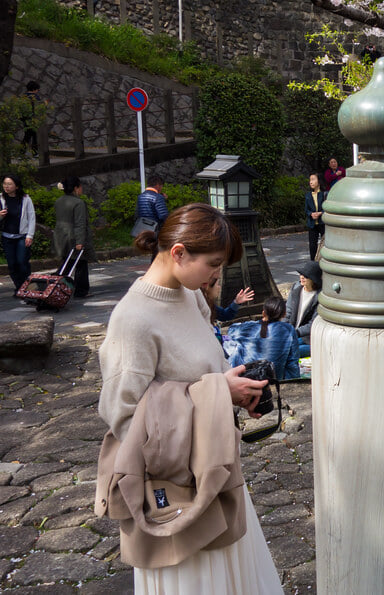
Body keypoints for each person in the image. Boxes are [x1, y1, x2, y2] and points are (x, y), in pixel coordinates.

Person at [96, 203, 282, 594]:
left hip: (215, 469)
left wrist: (231, 395)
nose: (218, 275)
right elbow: (123, 417)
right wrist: (216, 395)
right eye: (214, 264)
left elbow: (198, 375)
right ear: (179, 252)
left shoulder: (190, 295)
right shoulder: (133, 320)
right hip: (176, 491)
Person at [227, 297, 301, 380]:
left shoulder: (249, 327)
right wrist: (293, 381)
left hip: (247, 377)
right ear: (284, 314)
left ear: (263, 313)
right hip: (275, 378)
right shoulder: (288, 329)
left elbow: (230, 331)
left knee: (233, 345)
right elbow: (293, 362)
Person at [53, 176, 93, 298]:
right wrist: (80, 241)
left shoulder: (59, 201)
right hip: (74, 236)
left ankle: (56, 284)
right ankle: (80, 290)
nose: (81, 189)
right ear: (76, 188)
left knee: (67, 262)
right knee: (80, 263)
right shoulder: (79, 203)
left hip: (61, 236)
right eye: (80, 187)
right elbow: (80, 223)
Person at [0, 174, 35, 294]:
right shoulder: (1, 198)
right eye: (5, 184)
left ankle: (27, 286)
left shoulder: (25, 199)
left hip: (22, 236)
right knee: (12, 264)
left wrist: (30, 235)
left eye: (9, 184)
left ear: (16, 186)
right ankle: (20, 287)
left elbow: (31, 218)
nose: (6, 186)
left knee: (22, 262)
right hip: (6, 236)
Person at [286, 260, 321, 359]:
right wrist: (284, 329)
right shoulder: (296, 288)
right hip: (292, 333)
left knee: (291, 352)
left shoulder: (320, 296)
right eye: (301, 274)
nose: (302, 277)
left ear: (313, 279)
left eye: (306, 276)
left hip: (308, 338)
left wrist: (295, 333)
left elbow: (313, 323)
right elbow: (287, 312)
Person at [305, 173, 325, 261]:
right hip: (312, 223)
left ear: (319, 181)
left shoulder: (324, 194)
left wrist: (320, 213)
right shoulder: (308, 195)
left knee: (325, 242)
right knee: (312, 244)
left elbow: (327, 208)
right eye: (310, 180)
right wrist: (311, 214)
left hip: (322, 222)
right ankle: (313, 262)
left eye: (313, 179)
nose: (311, 182)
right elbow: (306, 209)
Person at [22, 81, 41, 155]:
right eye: (37, 90)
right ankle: (35, 152)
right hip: (34, 119)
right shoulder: (35, 97)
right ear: (34, 89)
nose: (37, 91)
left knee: (27, 136)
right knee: (35, 136)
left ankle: (21, 152)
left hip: (25, 119)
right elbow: (39, 108)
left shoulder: (24, 96)